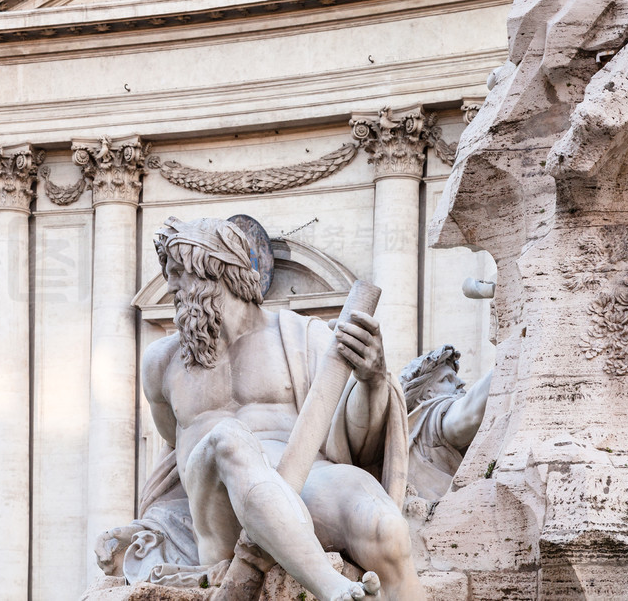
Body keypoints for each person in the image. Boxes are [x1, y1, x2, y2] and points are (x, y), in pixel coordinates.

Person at [117, 216, 424, 601]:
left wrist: (372, 380)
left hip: (306, 481)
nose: (172, 286)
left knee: (383, 526)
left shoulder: (302, 336)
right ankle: (334, 589)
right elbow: (173, 452)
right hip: (219, 504)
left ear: (218, 272)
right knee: (228, 439)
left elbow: (357, 440)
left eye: (180, 273)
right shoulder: (162, 362)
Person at [400, 345, 492, 501]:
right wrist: (511, 354)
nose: (461, 383)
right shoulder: (432, 414)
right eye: (447, 379)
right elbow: (471, 415)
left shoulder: (408, 437)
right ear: (425, 396)